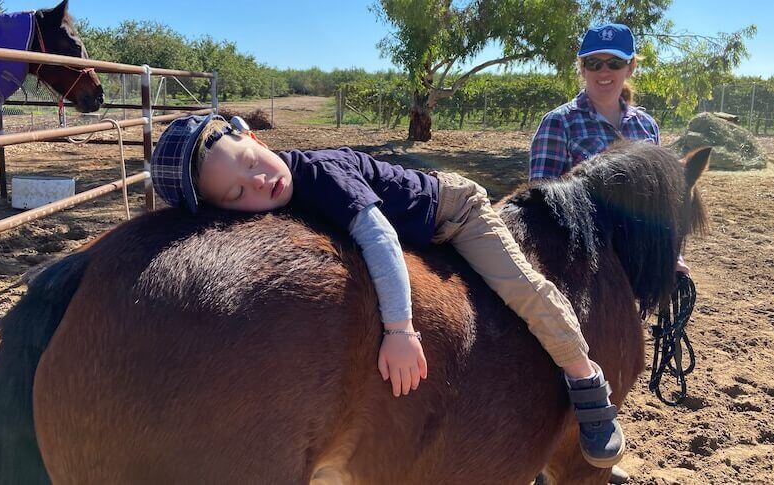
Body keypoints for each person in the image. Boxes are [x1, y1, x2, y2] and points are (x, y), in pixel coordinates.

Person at [149, 113, 626, 468]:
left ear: (253, 136)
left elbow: (379, 238)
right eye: (237, 195)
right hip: (422, 224)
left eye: (251, 162)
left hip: (454, 214)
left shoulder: (321, 174)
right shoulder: (277, 191)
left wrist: (400, 328)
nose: (260, 182)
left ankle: (587, 381)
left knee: (524, 290)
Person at [530, 22, 690, 276]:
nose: (604, 70)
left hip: (637, 269)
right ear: (583, 68)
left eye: (614, 62)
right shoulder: (558, 123)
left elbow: (661, 207)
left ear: (630, 67)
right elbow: (539, 207)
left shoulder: (646, 126)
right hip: (581, 269)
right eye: (594, 63)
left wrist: (672, 256)